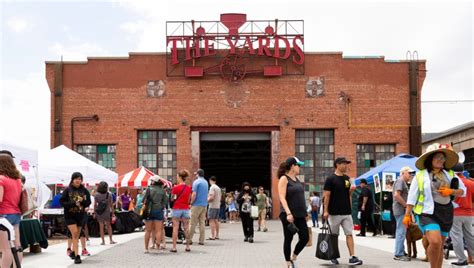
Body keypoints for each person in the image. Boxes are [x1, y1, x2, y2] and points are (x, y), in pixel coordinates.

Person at [404, 143, 466, 268]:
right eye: (437, 157)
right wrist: (407, 215)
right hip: (427, 213)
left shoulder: (450, 174)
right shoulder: (420, 175)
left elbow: (463, 191)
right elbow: (412, 197)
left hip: (446, 212)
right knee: (435, 242)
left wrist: (451, 191)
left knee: (440, 245)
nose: (440, 160)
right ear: (430, 159)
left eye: (443, 158)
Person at [323, 157, 363, 265]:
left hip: (346, 212)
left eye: (346, 164)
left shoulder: (347, 179)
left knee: (349, 234)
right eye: (344, 164)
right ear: (337, 165)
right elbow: (327, 196)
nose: (346, 166)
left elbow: (348, 195)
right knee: (334, 235)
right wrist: (325, 211)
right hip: (334, 212)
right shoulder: (330, 179)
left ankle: (352, 257)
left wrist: (351, 191)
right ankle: (333, 256)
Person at [277, 157, 309, 268]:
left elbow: (301, 198)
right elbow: (282, 197)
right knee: (288, 238)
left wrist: (305, 214)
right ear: (292, 166)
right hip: (288, 214)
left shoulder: (297, 180)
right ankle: (288, 263)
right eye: (298, 165)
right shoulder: (284, 179)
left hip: (300, 214)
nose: (299, 167)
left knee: (305, 238)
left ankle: (294, 256)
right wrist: (288, 213)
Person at [60, 172, 91, 264]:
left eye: (80, 179)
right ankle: (77, 256)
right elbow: (62, 202)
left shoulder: (84, 190)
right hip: (69, 216)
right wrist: (74, 203)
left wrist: (83, 201)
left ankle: (73, 252)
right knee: (74, 233)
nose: (78, 180)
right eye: (76, 179)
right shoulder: (67, 190)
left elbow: (88, 202)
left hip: (80, 216)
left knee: (77, 236)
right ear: (72, 180)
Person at [0, 153, 23, 268]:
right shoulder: (17, 180)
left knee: (5, 249)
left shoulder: (1, 179)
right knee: (17, 245)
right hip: (15, 214)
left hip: (3, 216)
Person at [449, 164, 474, 266]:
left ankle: (461, 259)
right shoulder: (471, 183)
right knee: (470, 236)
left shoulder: (451, 182)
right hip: (469, 213)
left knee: (457, 236)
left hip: (455, 213)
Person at [392, 166, 415, 261]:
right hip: (401, 210)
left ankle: (400, 251)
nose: (411, 175)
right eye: (409, 173)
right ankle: (398, 253)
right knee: (401, 232)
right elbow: (397, 195)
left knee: (401, 231)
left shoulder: (401, 181)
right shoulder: (400, 181)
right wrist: (406, 205)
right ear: (403, 173)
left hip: (400, 210)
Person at [142, 175, 167, 253]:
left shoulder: (148, 189)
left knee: (148, 230)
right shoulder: (163, 191)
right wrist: (160, 206)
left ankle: (146, 249)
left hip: (149, 211)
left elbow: (144, 201)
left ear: (154, 182)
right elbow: (165, 202)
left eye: (151, 180)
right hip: (158, 210)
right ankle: (158, 248)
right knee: (158, 230)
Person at [170, 169, 192, 253]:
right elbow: (189, 199)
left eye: (177, 177)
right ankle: (187, 246)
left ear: (180, 177)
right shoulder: (189, 188)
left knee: (175, 228)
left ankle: (174, 247)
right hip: (186, 209)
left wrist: (175, 198)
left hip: (177, 209)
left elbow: (172, 198)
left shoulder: (175, 188)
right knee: (186, 228)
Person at [188, 169, 208, 245]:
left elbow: (194, 194)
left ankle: (189, 239)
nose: (195, 175)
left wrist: (191, 202)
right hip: (204, 205)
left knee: (192, 223)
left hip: (196, 205)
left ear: (198, 174)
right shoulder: (206, 182)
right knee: (202, 223)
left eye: (196, 174)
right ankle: (201, 240)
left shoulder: (196, 182)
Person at [94, 181, 116, 245]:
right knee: (109, 226)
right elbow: (111, 205)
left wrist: (95, 213)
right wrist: (113, 213)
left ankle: (103, 241)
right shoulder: (109, 194)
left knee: (101, 227)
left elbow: (95, 205)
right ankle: (111, 240)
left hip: (99, 212)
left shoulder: (97, 195)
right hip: (107, 212)